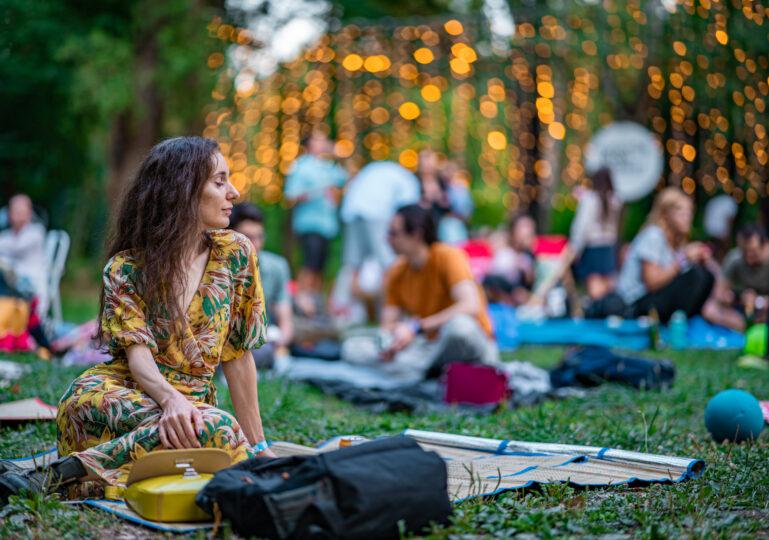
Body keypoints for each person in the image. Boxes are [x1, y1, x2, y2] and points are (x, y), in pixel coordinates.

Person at [0, 137, 274, 503]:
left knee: (218, 428)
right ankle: (135, 457)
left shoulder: (237, 254)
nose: (235, 192)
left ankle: (57, 474)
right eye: (220, 181)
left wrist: (258, 447)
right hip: (124, 397)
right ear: (184, 189)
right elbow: (138, 358)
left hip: (192, 412)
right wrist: (169, 399)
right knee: (84, 403)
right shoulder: (126, 268)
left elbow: (239, 357)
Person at [375, 204, 498, 378]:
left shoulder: (448, 256)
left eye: (394, 233)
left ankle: (423, 371)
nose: (388, 239)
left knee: (460, 328)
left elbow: (470, 305)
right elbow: (386, 326)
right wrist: (396, 337)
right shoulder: (396, 272)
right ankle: (432, 370)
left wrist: (417, 327)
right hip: (429, 346)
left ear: (416, 234)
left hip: (470, 344)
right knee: (355, 348)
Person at [613, 187, 728, 324]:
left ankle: (681, 324)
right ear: (666, 214)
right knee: (696, 275)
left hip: (654, 300)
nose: (688, 217)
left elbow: (717, 281)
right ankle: (674, 324)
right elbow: (652, 283)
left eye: (690, 212)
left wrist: (707, 260)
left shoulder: (676, 242)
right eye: (682, 212)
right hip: (634, 304)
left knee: (705, 275)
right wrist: (683, 259)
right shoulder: (653, 235)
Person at [340, 160, 420, 302]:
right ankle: (390, 303)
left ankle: (346, 308)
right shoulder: (410, 180)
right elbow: (408, 212)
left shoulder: (382, 169)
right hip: (376, 213)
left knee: (353, 264)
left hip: (351, 212)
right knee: (388, 262)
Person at [284, 132, 347, 303]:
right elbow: (291, 195)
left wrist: (337, 154)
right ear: (310, 143)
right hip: (309, 224)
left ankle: (314, 303)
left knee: (320, 267)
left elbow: (343, 179)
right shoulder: (301, 166)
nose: (323, 142)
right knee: (309, 264)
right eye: (318, 139)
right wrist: (315, 192)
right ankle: (300, 301)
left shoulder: (329, 167)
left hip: (327, 226)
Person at [230, 203, 293, 367]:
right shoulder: (218, 269)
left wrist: (279, 342)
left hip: (263, 341)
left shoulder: (277, 266)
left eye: (260, 237)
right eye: (248, 238)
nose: (255, 244)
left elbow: (285, 321)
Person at [0, 194, 48, 307]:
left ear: (29, 212)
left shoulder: (36, 232)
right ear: (9, 213)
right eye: (15, 210)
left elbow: (15, 247)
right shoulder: (7, 235)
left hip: (30, 289)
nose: (18, 215)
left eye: (22, 211)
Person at [482, 213, 536, 305]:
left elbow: (530, 282)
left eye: (530, 228)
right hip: (501, 290)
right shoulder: (505, 250)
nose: (527, 231)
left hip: (519, 294)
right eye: (523, 227)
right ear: (513, 230)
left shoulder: (529, 254)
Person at [722, 224, 769, 322]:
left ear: (766, 246)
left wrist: (759, 300)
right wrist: (736, 298)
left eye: (753, 252)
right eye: (744, 251)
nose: (748, 258)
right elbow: (720, 293)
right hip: (739, 307)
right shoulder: (734, 258)